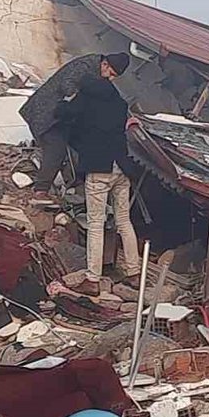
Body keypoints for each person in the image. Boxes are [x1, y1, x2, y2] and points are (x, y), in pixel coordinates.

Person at [55, 74, 140, 283]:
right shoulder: (119, 103)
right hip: (121, 167)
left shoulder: (85, 101)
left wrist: (65, 102)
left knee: (95, 223)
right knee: (123, 221)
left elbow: (63, 113)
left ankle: (93, 277)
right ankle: (134, 271)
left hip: (99, 169)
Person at [19, 52, 131, 196]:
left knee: (78, 144)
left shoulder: (96, 73)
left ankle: (75, 181)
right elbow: (67, 84)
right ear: (105, 64)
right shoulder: (84, 67)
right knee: (56, 149)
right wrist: (84, 97)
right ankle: (41, 191)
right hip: (48, 113)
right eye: (111, 73)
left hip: (61, 116)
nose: (111, 78)